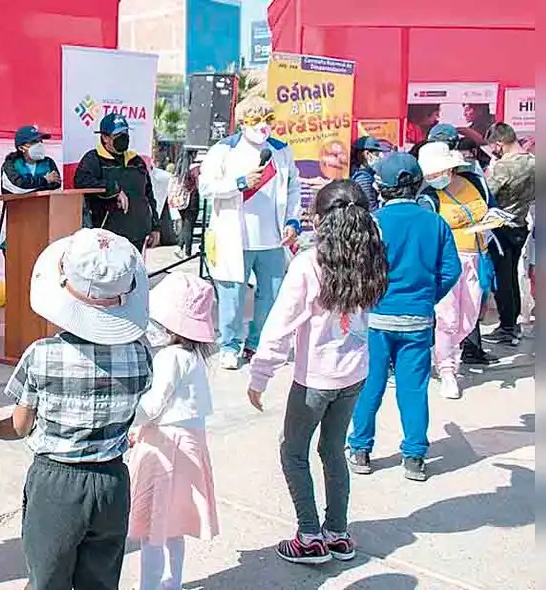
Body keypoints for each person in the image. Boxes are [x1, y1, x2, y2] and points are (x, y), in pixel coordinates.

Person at [0, 228, 152, 590]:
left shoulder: (43, 355)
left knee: (47, 579)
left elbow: (20, 425)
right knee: (101, 581)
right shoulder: (140, 354)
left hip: (56, 482)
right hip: (112, 482)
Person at [248, 180, 387, 564]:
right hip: (355, 373)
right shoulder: (372, 256)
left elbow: (280, 325)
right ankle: (338, 533)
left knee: (293, 452)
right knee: (332, 450)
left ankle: (309, 536)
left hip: (315, 380)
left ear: (321, 219)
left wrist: (260, 375)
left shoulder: (310, 264)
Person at [346, 153, 461, 482]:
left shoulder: (375, 222)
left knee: (371, 385)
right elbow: (451, 270)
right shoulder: (435, 222)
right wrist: (427, 297)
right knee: (413, 389)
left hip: (378, 319)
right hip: (418, 320)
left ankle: (360, 449)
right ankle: (414, 457)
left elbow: (359, 267)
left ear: (381, 186)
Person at [198, 95, 302, 370]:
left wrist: (293, 220)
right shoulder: (224, 150)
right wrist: (240, 183)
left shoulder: (281, 150)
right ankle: (229, 346)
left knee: (271, 294)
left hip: (272, 238)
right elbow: (206, 187)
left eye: (268, 120)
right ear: (243, 122)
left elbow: (293, 188)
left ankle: (258, 344)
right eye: (256, 120)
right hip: (234, 236)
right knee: (232, 293)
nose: (263, 126)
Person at [128, 272, 218, 590]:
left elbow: (153, 405)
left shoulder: (169, 357)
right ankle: (173, 581)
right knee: (174, 524)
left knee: (154, 526)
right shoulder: (194, 357)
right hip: (191, 443)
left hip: (166, 447)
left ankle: (148, 586)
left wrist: (130, 420)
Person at [417, 143, 494, 399]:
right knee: (447, 318)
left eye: (438, 172)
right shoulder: (427, 197)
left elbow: (486, 208)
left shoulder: (472, 183)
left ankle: (446, 353)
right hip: (446, 261)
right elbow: (428, 232)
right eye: (430, 174)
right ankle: (448, 369)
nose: (435, 177)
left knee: (469, 317)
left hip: (476, 256)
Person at [74, 113, 160, 253]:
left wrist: (155, 226)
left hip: (137, 234)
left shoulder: (136, 161)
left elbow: (149, 195)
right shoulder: (93, 159)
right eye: (118, 134)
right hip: (108, 236)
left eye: (125, 133)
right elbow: (81, 182)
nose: (124, 137)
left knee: (134, 273)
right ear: (105, 137)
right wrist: (113, 190)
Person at [483, 122, 536, 346]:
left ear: (499, 144)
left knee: (502, 279)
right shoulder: (534, 162)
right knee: (512, 275)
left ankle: (507, 327)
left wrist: (489, 169)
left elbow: (487, 192)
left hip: (501, 227)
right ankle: (511, 324)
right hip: (521, 224)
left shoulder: (503, 167)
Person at [0, 125, 61, 252]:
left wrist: (33, 184)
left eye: (40, 141)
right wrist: (44, 180)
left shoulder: (48, 162)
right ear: (21, 147)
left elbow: (56, 185)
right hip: (16, 223)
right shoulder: (10, 165)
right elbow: (17, 187)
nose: (39, 145)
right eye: (34, 142)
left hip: (44, 222)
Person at [350, 136, 390, 211]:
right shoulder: (363, 179)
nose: (380, 157)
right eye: (377, 154)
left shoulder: (366, 173)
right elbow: (371, 208)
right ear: (367, 154)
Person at [174, 153, 203, 258]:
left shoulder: (180, 168)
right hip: (192, 199)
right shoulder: (195, 168)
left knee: (185, 224)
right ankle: (187, 252)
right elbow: (200, 184)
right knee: (189, 226)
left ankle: (179, 246)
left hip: (181, 200)